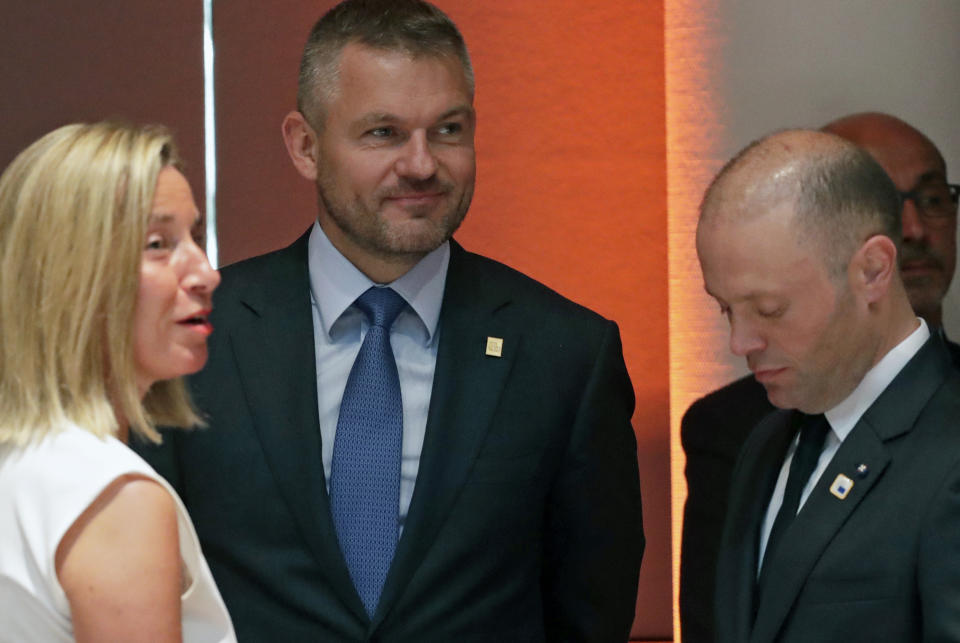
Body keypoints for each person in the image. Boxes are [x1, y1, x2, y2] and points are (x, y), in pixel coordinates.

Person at [134, 1, 644, 641]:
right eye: (384, 133)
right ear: (305, 146)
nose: (422, 164)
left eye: (449, 130)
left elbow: (591, 611)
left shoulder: (564, 353)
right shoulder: (200, 337)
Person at [678, 111, 960, 642]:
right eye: (726, 310)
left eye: (770, 309)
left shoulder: (949, 448)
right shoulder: (765, 440)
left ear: (873, 271)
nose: (740, 343)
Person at [0, 122, 234, 642]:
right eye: (158, 243)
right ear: (72, 273)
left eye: (194, 237)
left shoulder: (23, 463)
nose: (205, 272)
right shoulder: (118, 499)